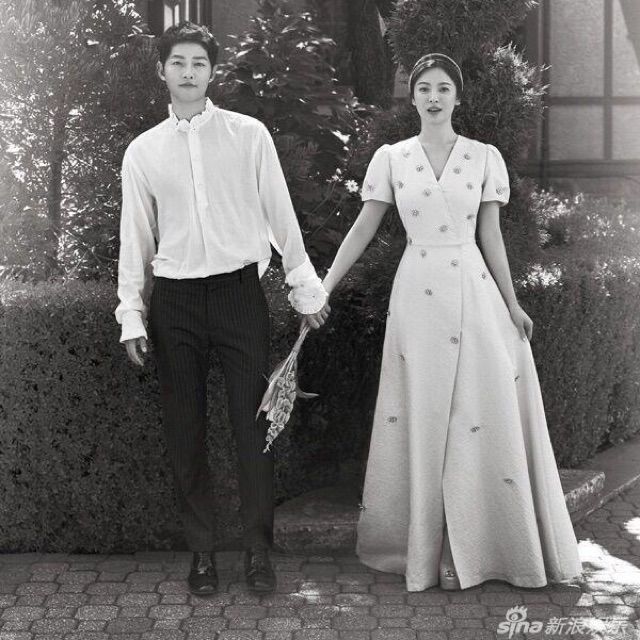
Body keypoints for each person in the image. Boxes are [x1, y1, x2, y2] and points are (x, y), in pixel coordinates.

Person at [321, 53, 582, 591]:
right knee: (421, 412)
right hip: (417, 293)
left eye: (443, 88)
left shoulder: (484, 157)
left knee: (477, 413)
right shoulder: (392, 158)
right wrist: (323, 286)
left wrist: (512, 303)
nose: (434, 97)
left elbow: (491, 236)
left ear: (457, 97)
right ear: (412, 96)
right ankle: (424, 551)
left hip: (472, 289)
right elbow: (363, 228)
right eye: (424, 88)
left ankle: (488, 549)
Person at [115, 21, 330, 596]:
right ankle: (203, 554)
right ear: (162, 70)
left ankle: (258, 552)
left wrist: (303, 286)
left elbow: (280, 214)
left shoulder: (248, 135)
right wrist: (131, 313)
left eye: (199, 63)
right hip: (176, 301)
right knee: (185, 430)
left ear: (212, 73)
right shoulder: (143, 152)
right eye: (178, 62)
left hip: (239, 295)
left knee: (253, 426)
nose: (188, 72)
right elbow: (135, 238)